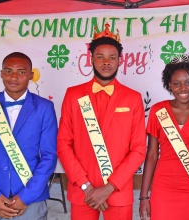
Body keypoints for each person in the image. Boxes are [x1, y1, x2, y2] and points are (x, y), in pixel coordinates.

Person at [57, 24, 146, 220]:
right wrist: (86, 186)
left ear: (119, 61)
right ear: (91, 60)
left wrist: (109, 187)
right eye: (100, 57)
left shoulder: (133, 98)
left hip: (118, 191)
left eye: (112, 57)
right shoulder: (73, 95)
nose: (106, 62)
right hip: (83, 192)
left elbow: (139, 148)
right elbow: (63, 144)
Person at [0, 52, 58, 220]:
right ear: (1, 73)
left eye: (21, 72)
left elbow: (49, 156)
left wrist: (26, 197)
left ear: (31, 75)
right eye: (8, 71)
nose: (14, 77)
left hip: (30, 200)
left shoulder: (44, 108)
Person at [139, 53, 189, 220]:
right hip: (162, 187)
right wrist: (144, 196)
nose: (183, 88)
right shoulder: (158, 110)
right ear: (169, 85)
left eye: (188, 82)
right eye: (177, 83)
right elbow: (152, 155)